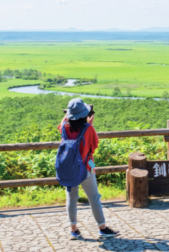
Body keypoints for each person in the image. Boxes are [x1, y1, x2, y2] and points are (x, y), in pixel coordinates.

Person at [58, 98, 118, 240]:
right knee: (94, 198)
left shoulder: (64, 126)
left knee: (71, 198)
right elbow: (93, 146)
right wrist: (89, 124)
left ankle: (74, 230)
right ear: (84, 114)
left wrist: (70, 114)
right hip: (85, 168)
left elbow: (63, 123)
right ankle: (102, 228)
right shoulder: (88, 129)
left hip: (69, 169)